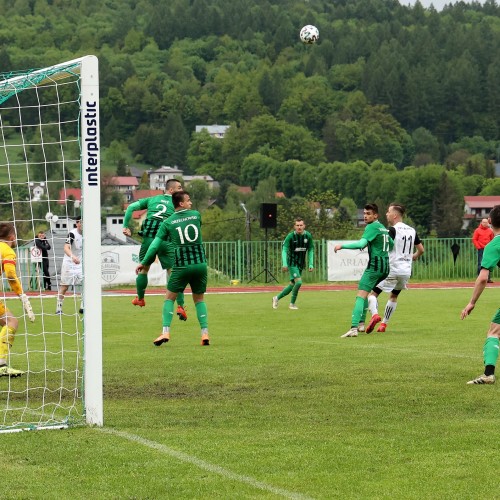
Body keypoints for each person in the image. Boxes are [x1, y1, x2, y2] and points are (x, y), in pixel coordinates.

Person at [135, 191, 210, 346]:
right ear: (181, 203)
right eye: (188, 200)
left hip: (182, 266)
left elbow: (155, 244)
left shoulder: (168, 223)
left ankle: (165, 332)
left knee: (169, 298)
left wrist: (144, 261)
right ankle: (204, 334)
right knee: (199, 300)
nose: (191, 203)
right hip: (200, 265)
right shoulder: (196, 215)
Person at [123, 178, 188, 321]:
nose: (181, 190)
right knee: (174, 273)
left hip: (149, 240)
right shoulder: (178, 205)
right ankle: (181, 306)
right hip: (166, 241)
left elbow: (130, 208)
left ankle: (140, 298)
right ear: (171, 190)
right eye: (179, 188)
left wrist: (125, 226)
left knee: (144, 269)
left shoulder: (152, 200)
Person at [334, 203, 393, 338]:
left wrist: (341, 246)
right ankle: (361, 324)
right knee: (366, 293)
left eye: (368, 214)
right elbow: (391, 244)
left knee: (360, 295)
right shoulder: (382, 228)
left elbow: (361, 244)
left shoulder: (371, 227)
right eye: (364, 214)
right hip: (385, 267)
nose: (365, 216)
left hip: (375, 267)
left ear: (375, 215)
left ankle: (353, 328)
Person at [364, 203, 425, 333]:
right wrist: (413, 256)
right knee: (394, 296)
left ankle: (375, 315)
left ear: (395, 215)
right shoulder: (412, 230)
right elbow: (421, 250)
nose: (386, 214)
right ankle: (384, 325)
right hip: (406, 271)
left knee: (372, 294)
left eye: (388, 212)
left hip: (392, 268)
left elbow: (384, 245)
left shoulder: (392, 230)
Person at [461, 205, 500, 384]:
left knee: (494, 331)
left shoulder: (493, 245)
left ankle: (488, 374)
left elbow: (483, 278)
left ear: (490, 221)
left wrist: (471, 302)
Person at [0, 222, 35, 377]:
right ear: (12, 237)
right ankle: (1, 365)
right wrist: (22, 295)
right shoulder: (7, 251)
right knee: (11, 322)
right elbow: (10, 275)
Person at [272, 218, 314, 310]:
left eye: (301, 225)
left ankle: (276, 298)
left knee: (292, 284)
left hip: (300, 264)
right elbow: (284, 250)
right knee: (298, 282)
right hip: (292, 263)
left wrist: (311, 264)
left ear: (304, 226)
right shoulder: (290, 236)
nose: (299, 227)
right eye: (297, 225)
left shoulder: (308, 236)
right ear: (294, 226)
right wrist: (284, 263)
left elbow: (311, 249)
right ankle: (292, 304)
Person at [56, 216, 83, 315]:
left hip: (80, 264)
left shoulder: (88, 234)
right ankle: (59, 308)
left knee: (86, 284)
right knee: (64, 286)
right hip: (69, 262)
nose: (82, 224)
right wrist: (73, 256)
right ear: (77, 224)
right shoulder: (72, 234)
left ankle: (83, 306)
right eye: (81, 222)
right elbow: (66, 248)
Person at [472, 218, 494, 282]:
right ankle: (479, 277)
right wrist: (478, 246)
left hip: (488, 249)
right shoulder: (477, 230)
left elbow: (492, 240)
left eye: (486, 222)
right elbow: (474, 239)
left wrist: (490, 247)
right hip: (481, 249)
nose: (485, 224)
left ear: (488, 223)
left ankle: (488, 278)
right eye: (484, 222)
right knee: (480, 263)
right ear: (481, 223)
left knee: (489, 263)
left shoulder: (490, 231)